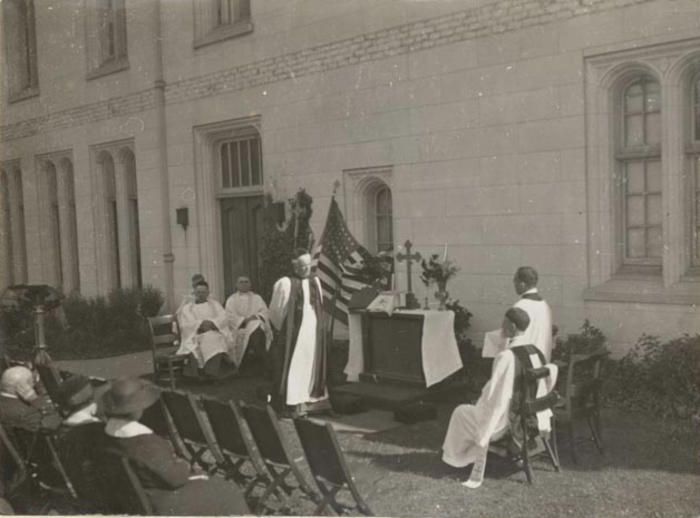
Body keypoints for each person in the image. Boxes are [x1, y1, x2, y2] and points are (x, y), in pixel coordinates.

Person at [98, 378, 250, 516]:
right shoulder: (144, 441)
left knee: (217, 487)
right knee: (227, 491)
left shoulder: (110, 436)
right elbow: (175, 478)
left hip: (139, 497)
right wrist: (184, 465)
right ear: (138, 409)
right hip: (162, 502)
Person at [442, 308, 557, 489]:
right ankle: (471, 455)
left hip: (509, 422)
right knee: (470, 411)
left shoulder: (507, 357)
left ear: (511, 326)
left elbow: (494, 395)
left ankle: (455, 460)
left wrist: (478, 405)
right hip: (532, 415)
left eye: (503, 323)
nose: (501, 327)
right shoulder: (535, 351)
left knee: (461, 412)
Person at [268, 248, 330, 416]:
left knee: (311, 365)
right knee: (295, 366)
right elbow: (276, 311)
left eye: (308, 265)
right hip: (294, 333)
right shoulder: (285, 283)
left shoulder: (315, 281)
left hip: (313, 332)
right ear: (294, 266)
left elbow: (320, 304)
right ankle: (293, 403)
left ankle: (313, 402)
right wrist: (286, 330)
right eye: (302, 266)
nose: (306, 269)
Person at [176, 280, 236, 379]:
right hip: (197, 335)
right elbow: (185, 325)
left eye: (203, 292)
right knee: (211, 340)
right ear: (194, 292)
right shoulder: (188, 308)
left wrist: (212, 323)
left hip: (214, 331)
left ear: (208, 293)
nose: (201, 295)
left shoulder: (215, 304)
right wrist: (200, 324)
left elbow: (224, 317)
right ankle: (212, 372)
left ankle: (211, 372)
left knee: (216, 339)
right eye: (198, 292)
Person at [224, 276, 273, 375]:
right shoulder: (231, 299)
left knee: (256, 325)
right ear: (237, 285)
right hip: (239, 327)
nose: (244, 284)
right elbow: (229, 316)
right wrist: (243, 320)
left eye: (246, 282)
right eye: (241, 282)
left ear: (250, 284)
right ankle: (264, 364)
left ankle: (261, 364)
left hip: (255, 325)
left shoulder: (257, 298)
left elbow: (265, 312)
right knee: (254, 332)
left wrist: (255, 317)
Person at [0, 366, 61, 433]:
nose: (34, 385)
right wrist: (36, 400)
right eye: (32, 382)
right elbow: (55, 425)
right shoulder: (28, 413)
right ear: (23, 387)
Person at [512, 266, 553, 361]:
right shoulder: (544, 305)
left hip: (525, 364)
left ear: (522, 284)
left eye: (515, 281)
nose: (514, 284)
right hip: (542, 362)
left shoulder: (520, 306)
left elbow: (512, 335)